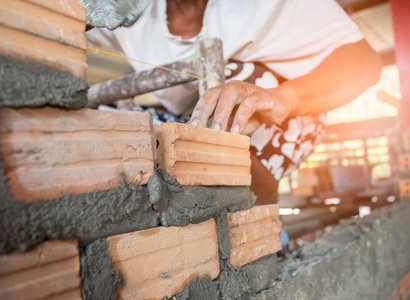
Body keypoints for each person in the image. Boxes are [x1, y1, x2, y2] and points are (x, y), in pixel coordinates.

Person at [86, 0, 382, 204]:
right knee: (105, 116)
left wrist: (282, 98)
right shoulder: (125, 11)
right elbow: (57, 19)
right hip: (190, 117)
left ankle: (253, 228)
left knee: (234, 88)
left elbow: (365, 64)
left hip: (282, 119)